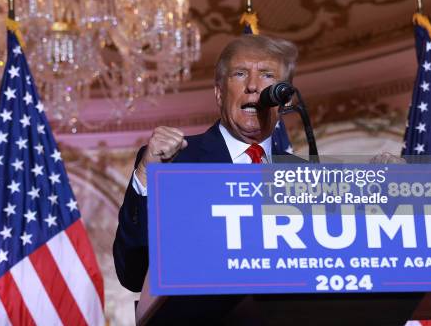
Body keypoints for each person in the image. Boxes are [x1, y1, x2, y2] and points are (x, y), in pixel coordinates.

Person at [113, 34, 299, 292]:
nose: (254, 86)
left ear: (285, 98)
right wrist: (147, 175)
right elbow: (133, 273)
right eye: (240, 74)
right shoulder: (175, 163)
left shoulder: (303, 175)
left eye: (267, 75)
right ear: (219, 93)